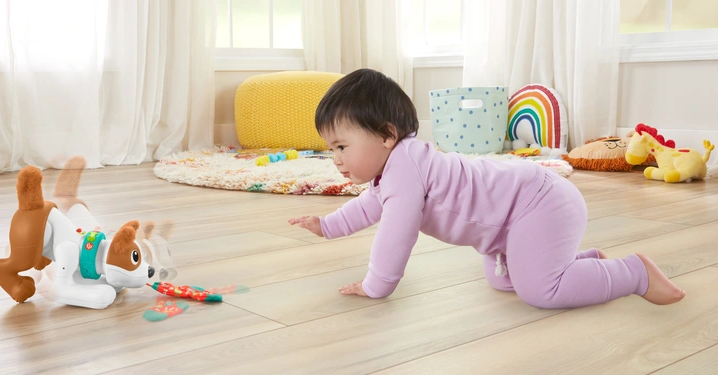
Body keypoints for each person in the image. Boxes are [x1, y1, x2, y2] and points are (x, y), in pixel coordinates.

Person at [288, 68, 685, 309]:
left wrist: (377, 285)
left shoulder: (405, 170)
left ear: (387, 135)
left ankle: (633, 274)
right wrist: (327, 226)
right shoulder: (394, 170)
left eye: (341, 146)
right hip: (513, 221)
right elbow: (368, 207)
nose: (335, 158)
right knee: (501, 279)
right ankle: (577, 265)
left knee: (539, 293)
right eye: (331, 149)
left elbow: (396, 234)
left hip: (539, 203)